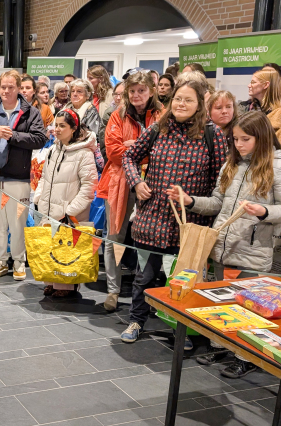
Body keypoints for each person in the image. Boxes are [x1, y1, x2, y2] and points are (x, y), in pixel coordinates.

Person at [168, 111, 281, 378]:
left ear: (262, 138)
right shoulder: (231, 164)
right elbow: (218, 203)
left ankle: (247, 356)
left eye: (245, 139)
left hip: (252, 252)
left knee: (250, 309)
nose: (239, 145)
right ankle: (223, 347)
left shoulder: (277, 167)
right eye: (235, 139)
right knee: (223, 305)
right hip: (221, 249)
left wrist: (263, 212)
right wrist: (191, 201)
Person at [121, 79, 227, 343]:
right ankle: (136, 321)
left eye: (188, 100)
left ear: (200, 103)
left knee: (182, 281)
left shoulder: (213, 136)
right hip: (152, 218)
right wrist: (137, 182)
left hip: (189, 224)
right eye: (178, 99)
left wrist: (192, 200)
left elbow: (220, 184)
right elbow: (129, 156)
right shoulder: (158, 128)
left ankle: (184, 331)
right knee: (144, 277)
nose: (181, 104)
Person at [0, 70, 48, 280]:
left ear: (19, 88)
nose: (5, 91)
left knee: (18, 223)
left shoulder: (30, 112)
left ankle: (19, 263)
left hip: (18, 177)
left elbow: (40, 138)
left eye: (10, 87)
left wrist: (13, 136)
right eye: (3, 87)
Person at [99, 71, 162, 312]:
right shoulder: (117, 115)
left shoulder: (162, 115)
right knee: (114, 237)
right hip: (120, 183)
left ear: (151, 91)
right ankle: (113, 290)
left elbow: (164, 150)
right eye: (132, 91)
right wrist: (145, 146)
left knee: (149, 239)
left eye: (141, 91)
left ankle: (146, 291)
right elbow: (113, 152)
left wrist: (134, 146)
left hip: (153, 184)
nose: (136, 95)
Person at [34, 109, 98, 296]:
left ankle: (67, 286)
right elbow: (45, 177)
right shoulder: (53, 150)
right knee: (51, 247)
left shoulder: (84, 154)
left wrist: (70, 210)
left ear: (73, 129)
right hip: (49, 209)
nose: (57, 129)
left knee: (67, 251)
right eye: (56, 125)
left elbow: (89, 186)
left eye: (63, 126)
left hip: (69, 212)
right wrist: (39, 198)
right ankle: (52, 281)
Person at [98, 81, 125, 161]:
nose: (118, 98)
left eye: (122, 94)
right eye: (116, 94)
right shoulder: (109, 112)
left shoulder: (134, 112)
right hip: (111, 158)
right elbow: (103, 139)